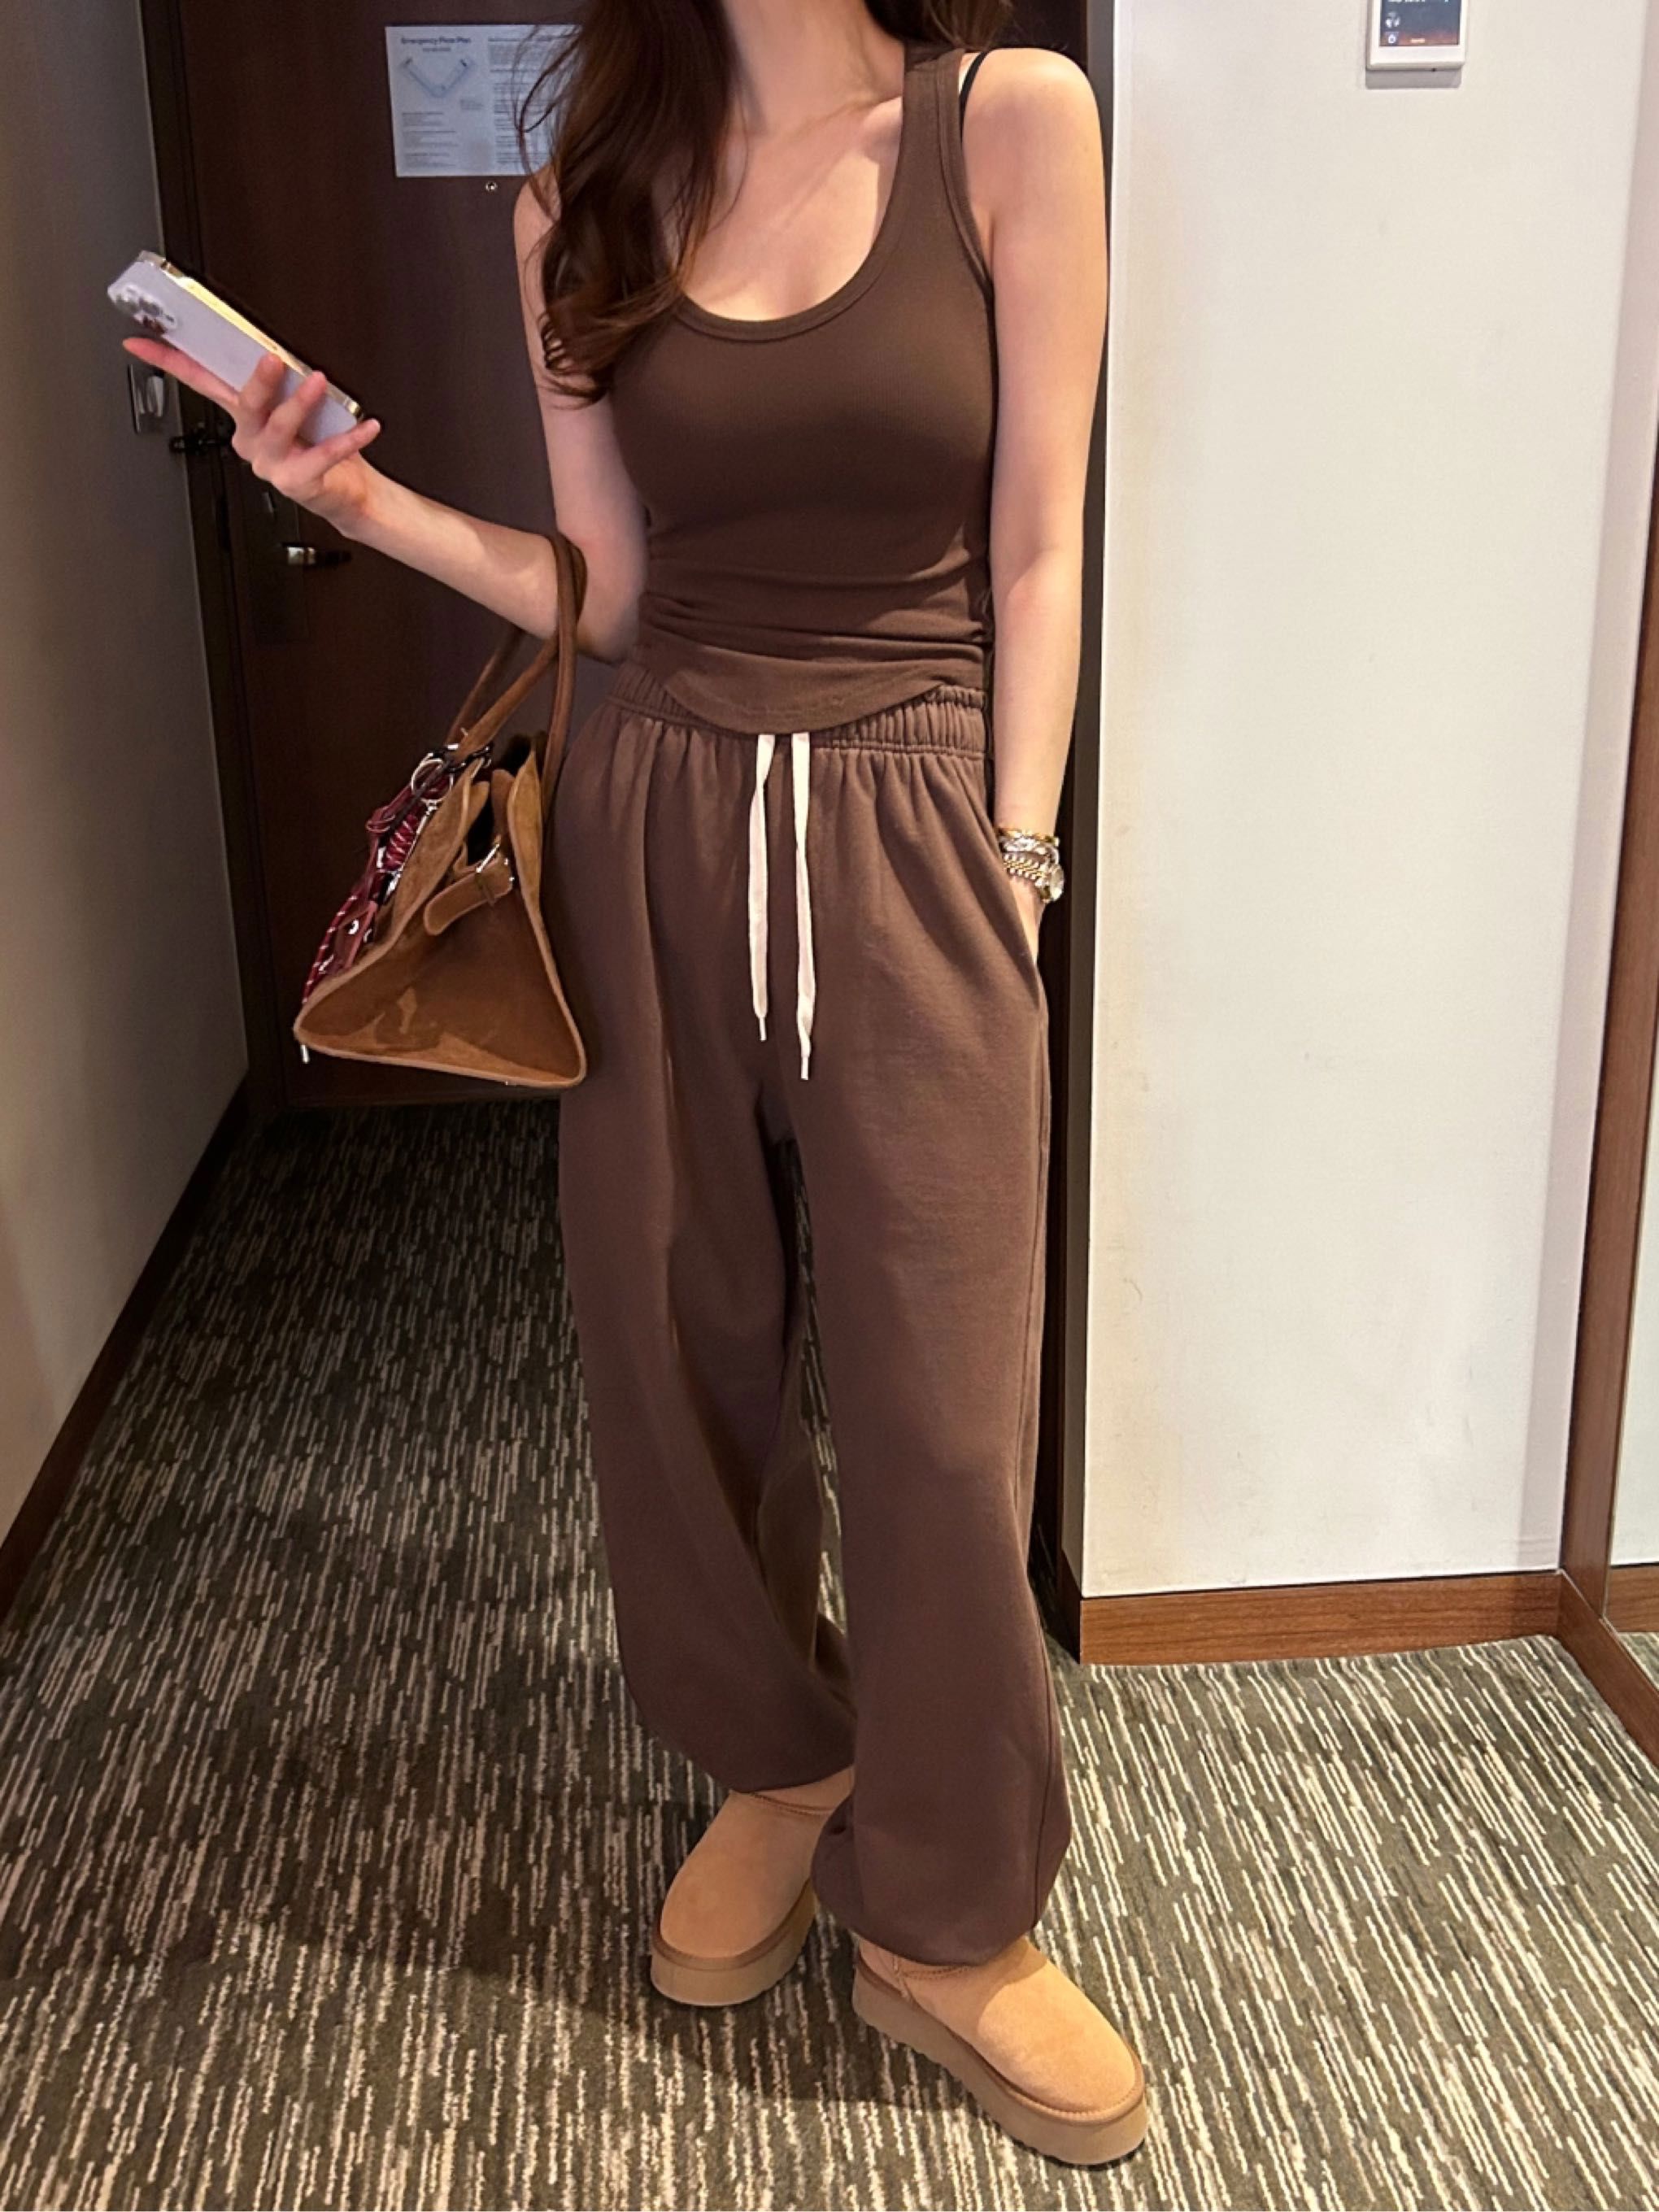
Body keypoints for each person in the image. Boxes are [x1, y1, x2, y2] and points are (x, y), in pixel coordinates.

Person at [123, 0, 1139, 2168]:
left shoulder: (1007, 126)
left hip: (919, 814)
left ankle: (949, 1914)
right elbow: (613, 596)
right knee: (676, 1353)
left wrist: (1020, 856)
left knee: (950, 1415)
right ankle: (780, 1757)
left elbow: (1043, 540)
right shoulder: (577, 201)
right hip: (659, 806)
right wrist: (357, 501)